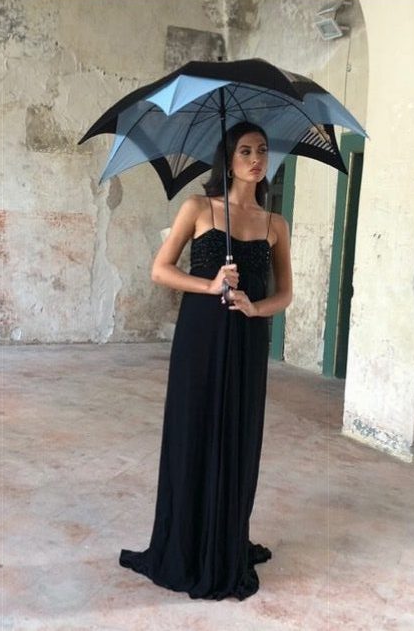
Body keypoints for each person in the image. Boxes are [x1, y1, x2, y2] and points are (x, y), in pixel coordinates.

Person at [119, 121, 293, 600]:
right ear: (228, 160)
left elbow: (285, 294)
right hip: (200, 336)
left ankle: (226, 540)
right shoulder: (197, 208)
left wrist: (256, 308)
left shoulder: (275, 225)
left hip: (247, 341)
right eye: (245, 151)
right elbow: (160, 270)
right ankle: (187, 542)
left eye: (262, 150)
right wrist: (211, 284)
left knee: (238, 435)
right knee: (194, 430)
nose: (256, 159)